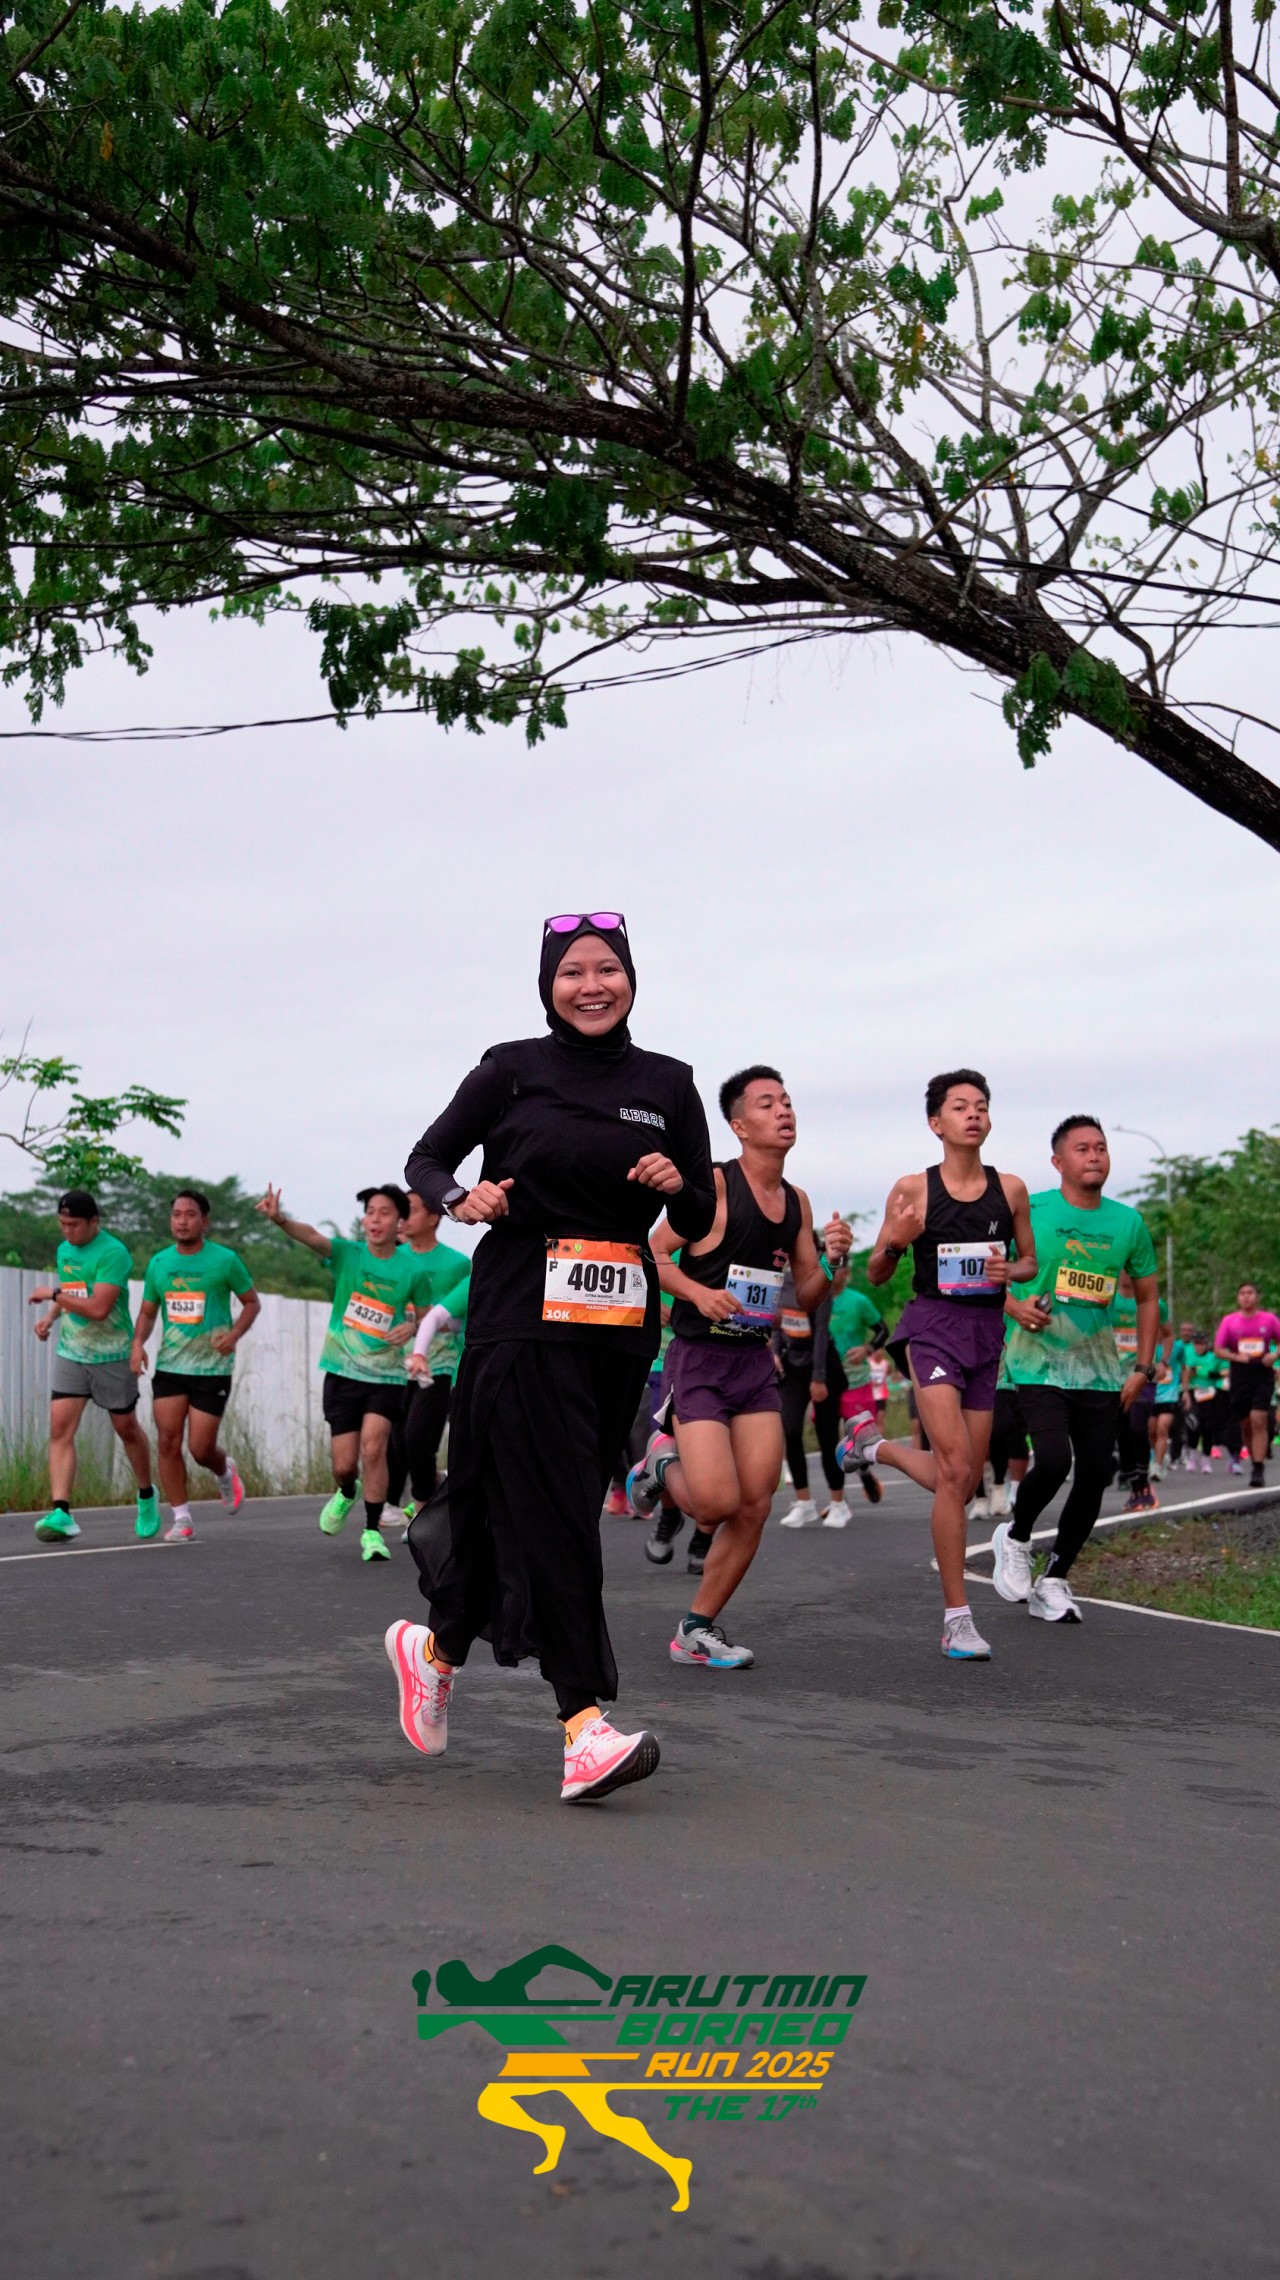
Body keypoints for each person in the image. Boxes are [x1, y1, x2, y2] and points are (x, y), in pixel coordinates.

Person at [390, 912, 717, 1804]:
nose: (591, 986)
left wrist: (676, 1187)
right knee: (559, 1516)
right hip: (520, 1312)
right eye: (572, 972)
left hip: (619, 1325)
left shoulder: (670, 1084)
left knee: (534, 1505)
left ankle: (435, 1651)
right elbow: (427, 1159)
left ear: (631, 980)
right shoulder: (510, 1069)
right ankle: (583, 1726)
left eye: (607, 969)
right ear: (548, 986)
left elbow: (696, 1217)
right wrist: (462, 1198)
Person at [629, 1067, 854, 1669]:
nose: (784, 1111)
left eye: (787, 1101)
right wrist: (697, 1294)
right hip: (700, 1356)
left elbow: (806, 1295)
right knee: (714, 1505)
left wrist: (833, 1262)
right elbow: (652, 1254)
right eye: (767, 1103)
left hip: (754, 1360)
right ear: (738, 1126)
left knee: (755, 1505)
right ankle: (660, 1462)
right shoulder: (715, 1185)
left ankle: (695, 1630)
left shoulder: (797, 1202)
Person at [840, 1070, 1035, 1659]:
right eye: (960, 1107)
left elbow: (1028, 1262)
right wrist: (896, 1240)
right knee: (955, 1469)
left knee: (964, 1480)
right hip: (931, 1330)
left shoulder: (1012, 1189)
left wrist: (1010, 1271)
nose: (973, 1114)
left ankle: (874, 1447)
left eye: (982, 1106)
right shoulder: (913, 1188)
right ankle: (957, 1619)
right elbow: (877, 1272)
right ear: (936, 1123)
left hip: (985, 1335)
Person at [991, 1117, 1159, 1621]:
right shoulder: (1031, 1209)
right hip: (1035, 1361)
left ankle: (1055, 1579)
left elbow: (1147, 1298)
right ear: (1058, 1161)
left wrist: (1143, 1367)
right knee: (1053, 1460)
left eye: (1101, 1147)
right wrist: (1013, 1306)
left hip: (1100, 1369)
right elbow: (984, 1269)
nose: (1094, 1155)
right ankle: (1016, 1537)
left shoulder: (1127, 1222)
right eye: (1082, 1148)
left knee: (1097, 1473)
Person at [257, 1182, 447, 1561]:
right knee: (345, 1465)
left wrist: (411, 1326)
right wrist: (279, 1220)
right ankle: (347, 1491)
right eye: (370, 1212)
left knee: (374, 1447)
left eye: (384, 1213)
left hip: (386, 1377)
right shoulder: (348, 1254)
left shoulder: (412, 1270)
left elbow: (427, 1314)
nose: (375, 1220)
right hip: (343, 1371)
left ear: (399, 1222)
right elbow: (312, 1236)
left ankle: (372, 1532)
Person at [28, 1188, 157, 1543]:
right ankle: (61, 1512)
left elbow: (99, 1308)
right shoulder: (64, 1250)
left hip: (112, 1355)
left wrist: (52, 1295)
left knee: (126, 1428)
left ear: (94, 1222)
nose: (67, 1231)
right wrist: (51, 1316)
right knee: (59, 1430)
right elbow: (73, 1289)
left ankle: (147, 1495)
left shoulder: (113, 1253)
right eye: (62, 1224)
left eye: (73, 1225)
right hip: (72, 1352)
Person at [130, 1190, 259, 1540]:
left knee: (200, 1448)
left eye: (190, 1214)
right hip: (171, 1366)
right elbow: (148, 1311)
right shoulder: (159, 1263)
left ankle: (224, 1471)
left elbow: (251, 1303)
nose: (182, 1221)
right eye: (176, 1214)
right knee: (168, 1441)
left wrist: (234, 1335)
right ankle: (181, 1518)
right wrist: (137, 1344)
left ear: (205, 1221)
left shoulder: (225, 1260)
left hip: (212, 1368)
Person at [386, 1191, 471, 1523]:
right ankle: (434, 1485)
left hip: (440, 1364)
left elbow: (461, 1317)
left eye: (410, 1210)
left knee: (417, 1438)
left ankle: (422, 1509)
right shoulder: (392, 1259)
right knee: (397, 1443)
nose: (403, 1217)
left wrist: (429, 1323)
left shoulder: (458, 1264)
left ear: (434, 1217)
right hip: (395, 1365)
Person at [773, 1258, 857, 1530]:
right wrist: (775, 1353)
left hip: (822, 1366)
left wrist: (818, 1378)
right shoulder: (779, 1282)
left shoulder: (820, 1283)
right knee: (790, 1431)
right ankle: (804, 1503)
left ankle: (838, 1503)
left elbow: (821, 1333)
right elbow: (777, 1321)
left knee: (827, 1435)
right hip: (791, 1365)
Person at [1215, 1283, 1280, 1489]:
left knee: (1258, 1419)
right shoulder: (1230, 1321)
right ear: (1238, 1298)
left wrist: (1274, 1355)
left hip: (1262, 1373)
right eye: (1242, 1293)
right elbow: (1218, 1349)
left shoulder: (1269, 1320)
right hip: (1240, 1375)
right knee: (1246, 1424)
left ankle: (1259, 1469)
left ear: (1257, 1297)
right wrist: (1235, 1356)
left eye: (1250, 1293)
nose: (1246, 1297)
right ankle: (1254, 1460)